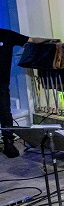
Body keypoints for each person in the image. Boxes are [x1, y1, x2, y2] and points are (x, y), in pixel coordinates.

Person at [0, 29, 48, 158]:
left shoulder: (6, 35)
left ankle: (8, 143)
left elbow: (31, 40)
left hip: (2, 84)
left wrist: (50, 41)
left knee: (5, 113)